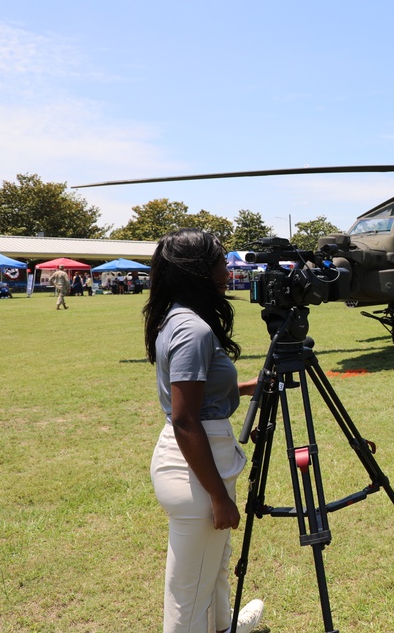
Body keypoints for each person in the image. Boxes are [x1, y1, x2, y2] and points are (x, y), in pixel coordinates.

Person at [143, 228, 264, 633]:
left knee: (210, 568)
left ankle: (222, 626)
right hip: (197, 467)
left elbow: (200, 396)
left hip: (197, 459)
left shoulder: (176, 318)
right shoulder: (192, 329)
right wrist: (218, 496)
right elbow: (185, 418)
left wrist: (248, 386)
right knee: (188, 590)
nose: (226, 270)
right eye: (219, 261)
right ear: (200, 271)